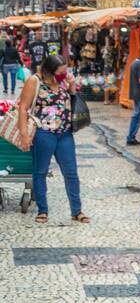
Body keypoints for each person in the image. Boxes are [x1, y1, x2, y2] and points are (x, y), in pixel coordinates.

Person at [16, 54, 88, 225]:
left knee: (71, 173)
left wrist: (71, 85)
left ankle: (76, 211)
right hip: (43, 133)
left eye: (65, 70)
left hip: (65, 134)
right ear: (50, 69)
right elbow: (23, 107)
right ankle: (43, 210)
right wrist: (24, 134)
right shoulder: (34, 81)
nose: (64, 73)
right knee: (40, 172)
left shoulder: (62, 81)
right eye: (61, 71)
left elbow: (71, 100)